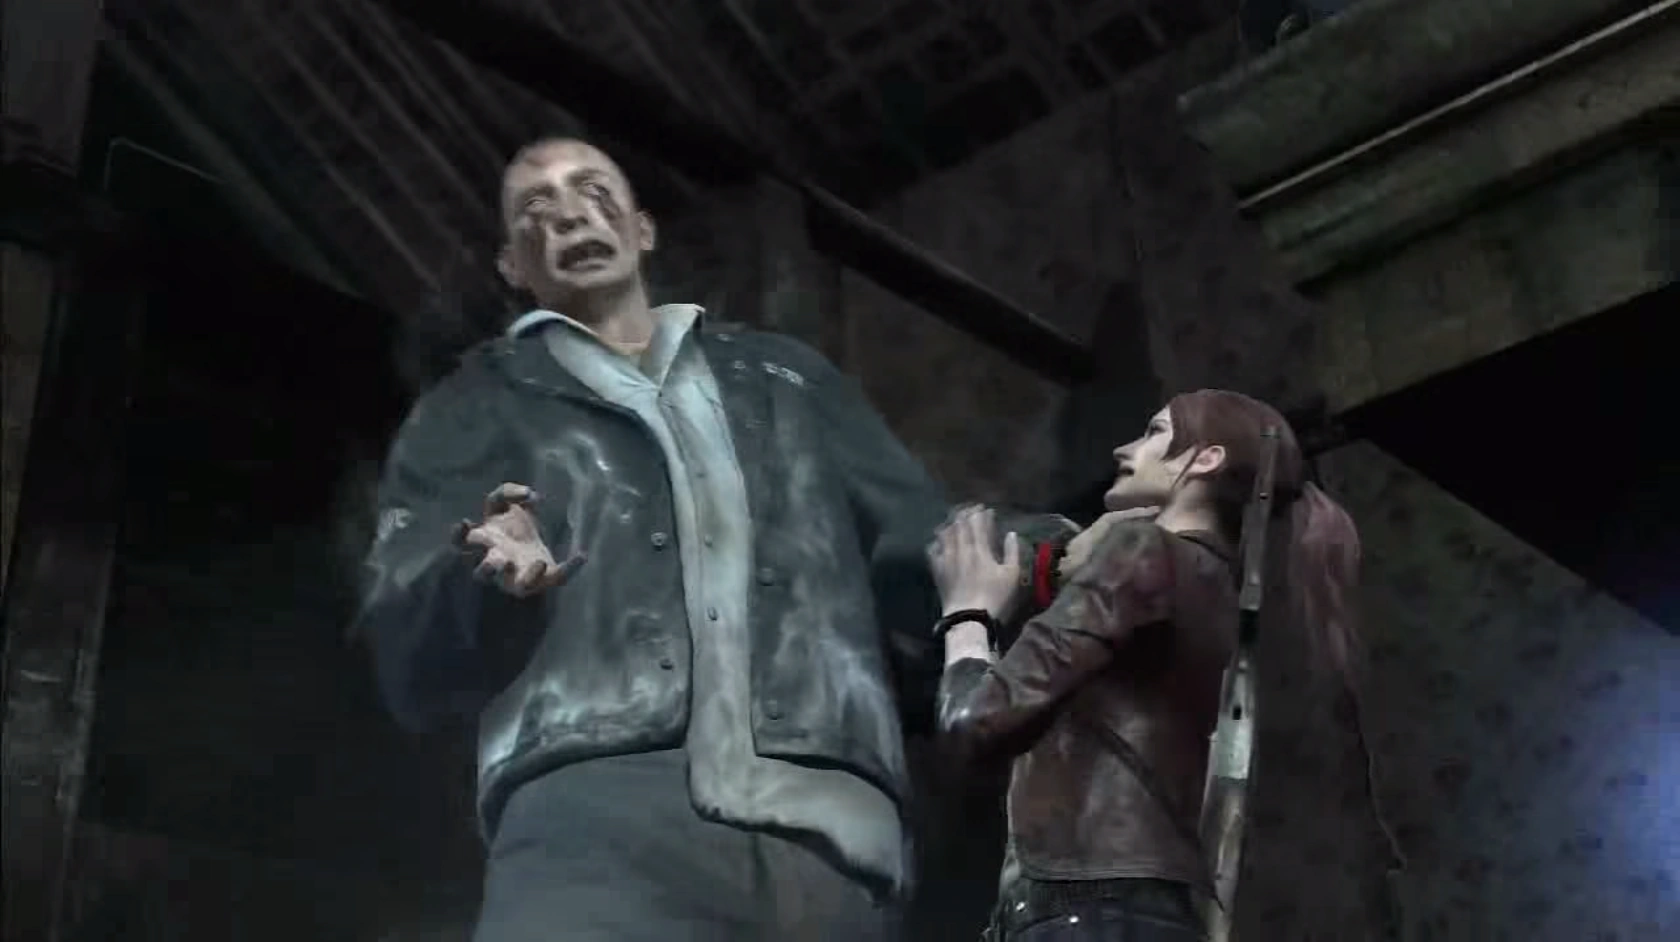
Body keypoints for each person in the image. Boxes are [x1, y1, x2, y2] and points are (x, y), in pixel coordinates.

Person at [355, 137, 954, 942]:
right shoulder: (475, 404)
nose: (570, 214)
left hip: (833, 843)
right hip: (593, 838)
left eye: (593, 191)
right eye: (536, 209)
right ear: (512, 266)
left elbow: (928, 542)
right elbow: (402, 640)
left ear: (642, 230)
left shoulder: (785, 378)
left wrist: (1058, 558)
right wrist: (479, 575)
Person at [926, 389, 1361, 941]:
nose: (1124, 449)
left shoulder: (1142, 551)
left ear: (1206, 458)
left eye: (1155, 432)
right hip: (1148, 911)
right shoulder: (1215, 590)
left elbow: (976, 723)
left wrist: (969, 614)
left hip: (1088, 914)